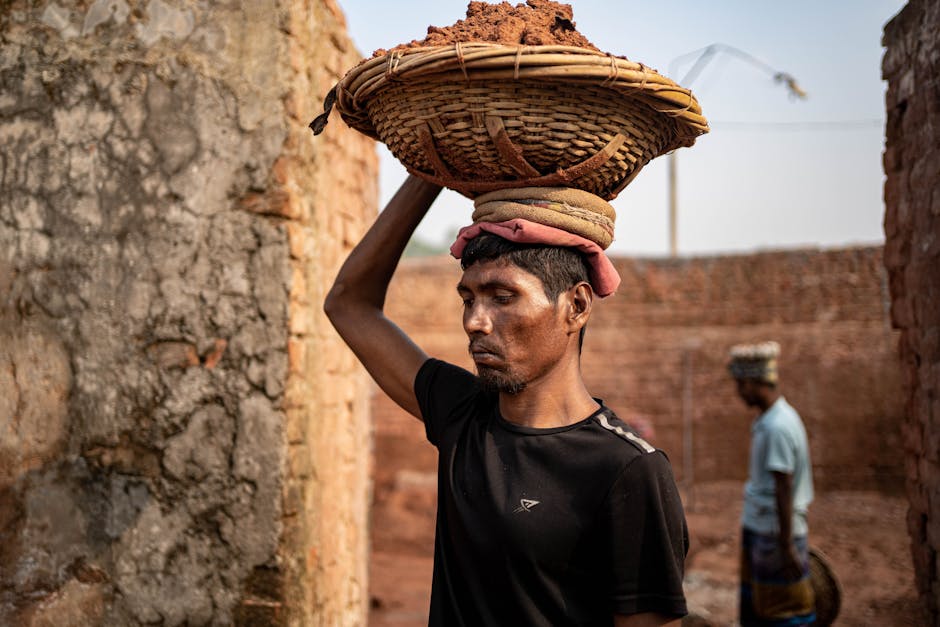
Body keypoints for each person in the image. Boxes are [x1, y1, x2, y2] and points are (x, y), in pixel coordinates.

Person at [325, 175, 689, 626]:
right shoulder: (463, 415)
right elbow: (348, 304)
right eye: (468, 298)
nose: (475, 322)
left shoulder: (627, 469)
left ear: (575, 306)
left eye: (502, 297)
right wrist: (427, 175)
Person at [728, 341, 815, 626]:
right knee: (761, 606)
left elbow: (783, 486)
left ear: (755, 382)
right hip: (764, 529)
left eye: (741, 384)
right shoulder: (772, 420)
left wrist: (786, 543)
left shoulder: (778, 426)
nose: (739, 392)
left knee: (783, 611)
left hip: (774, 534)